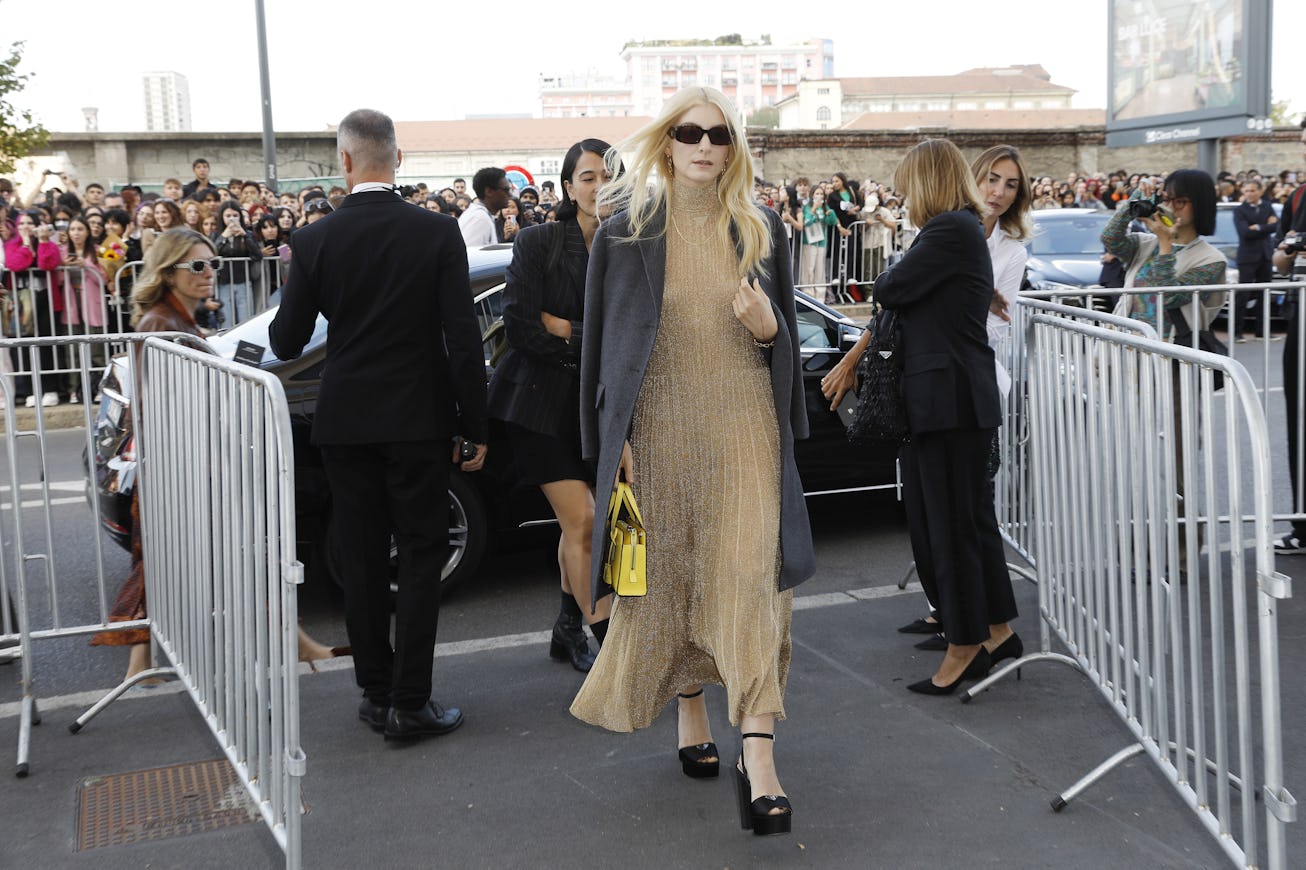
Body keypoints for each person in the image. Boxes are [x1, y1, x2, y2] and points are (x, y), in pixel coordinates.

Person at [570, 86, 814, 837]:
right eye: (689, 133)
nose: (705, 146)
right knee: (674, 577)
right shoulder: (625, 234)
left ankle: (762, 761)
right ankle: (690, 712)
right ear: (665, 143)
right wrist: (618, 444)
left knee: (747, 582)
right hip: (663, 431)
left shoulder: (763, 228)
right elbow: (603, 352)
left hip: (745, 426)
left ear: (734, 148)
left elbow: (786, 345)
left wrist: (770, 326)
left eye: (719, 135)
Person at [269, 108, 488, 742]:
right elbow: (462, 338)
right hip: (418, 418)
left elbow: (285, 340)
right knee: (421, 555)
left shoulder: (314, 241)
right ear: (398, 159)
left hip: (344, 421)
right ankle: (410, 701)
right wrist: (474, 425)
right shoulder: (436, 233)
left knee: (360, 559)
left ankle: (375, 693)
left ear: (343, 162)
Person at [89, 227, 343, 678]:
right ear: (169, 274)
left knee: (169, 567)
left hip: (185, 467)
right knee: (243, 562)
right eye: (198, 266)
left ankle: (140, 665)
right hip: (186, 470)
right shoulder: (160, 326)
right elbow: (166, 405)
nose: (209, 274)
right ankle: (282, 654)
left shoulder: (177, 321)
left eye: (213, 265)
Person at [840, 138, 1015, 695]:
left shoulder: (946, 230)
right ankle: (997, 629)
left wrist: (900, 263)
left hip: (949, 403)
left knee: (954, 528)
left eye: (908, 185)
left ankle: (964, 644)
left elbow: (891, 288)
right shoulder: (961, 229)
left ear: (930, 182)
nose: (903, 196)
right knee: (971, 523)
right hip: (956, 400)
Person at [486, 139, 616, 674]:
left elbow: (634, 332)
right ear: (567, 186)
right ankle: (614, 651)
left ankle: (566, 629)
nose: (598, 187)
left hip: (596, 407)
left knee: (581, 528)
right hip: (538, 405)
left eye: (609, 176)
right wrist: (594, 338)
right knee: (584, 521)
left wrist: (568, 329)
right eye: (587, 177)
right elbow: (520, 328)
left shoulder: (629, 245)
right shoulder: (539, 240)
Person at [1274, 119, 1306, 554]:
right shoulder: (1298, 195)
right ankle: (1302, 524)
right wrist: (1287, 252)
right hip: (1298, 314)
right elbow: (1281, 261)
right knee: (1298, 417)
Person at [1232, 178, 1279, 341]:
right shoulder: (1239, 210)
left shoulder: (1267, 206)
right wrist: (1265, 226)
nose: (1249, 194)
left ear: (1259, 191)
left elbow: (1276, 226)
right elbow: (1244, 232)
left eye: (1252, 190)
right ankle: (1236, 331)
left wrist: (1257, 227)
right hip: (1247, 257)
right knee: (1243, 295)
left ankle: (1262, 331)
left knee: (1264, 294)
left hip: (1266, 255)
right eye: (1246, 191)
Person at [459, 167, 510, 247]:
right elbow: (470, 256)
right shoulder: (479, 218)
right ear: (489, 191)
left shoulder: (482, 215)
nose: (510, 195)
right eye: (506, 190)